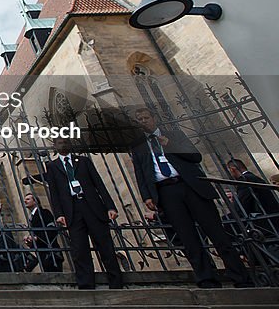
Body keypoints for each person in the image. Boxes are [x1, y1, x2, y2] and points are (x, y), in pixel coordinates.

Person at [130, 108, 252, 288]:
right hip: (166, 192)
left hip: (191, 187)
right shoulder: (138, 146)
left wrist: (170, 145)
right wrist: (146, 196)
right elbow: (140, 172)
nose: (143, 121)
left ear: (154, 119)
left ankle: (240, 276)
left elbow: (196, 157)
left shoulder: (174, 135)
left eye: (146, 117)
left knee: (216, 233)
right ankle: (206, 279)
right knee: (188, 238)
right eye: (139, 119)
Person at [44, 137, 123, 290]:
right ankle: (86, 284)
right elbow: (54, 193)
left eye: (66, 142)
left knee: (105, 246)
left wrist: (110, 207)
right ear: (54, 146)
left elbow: (98, 184)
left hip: (92, 207)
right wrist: (59, 213)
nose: (63, 145)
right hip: (72, 210)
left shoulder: (83, 161)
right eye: (60, 143)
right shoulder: (52, 166)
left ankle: (116, 282)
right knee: (80, 250)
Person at [226, 158, 279, 235]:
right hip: (270, 217)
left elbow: (241, 206)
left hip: (265, 222)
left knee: (228, 221)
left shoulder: (244, 179)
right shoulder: (252, 177)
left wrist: (235, 201)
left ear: (232, 169)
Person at [22, 192, 63, 272]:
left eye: (28, 199)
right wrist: (30, 242)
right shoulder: (32, 217)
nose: (25, 201)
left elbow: (51, 230)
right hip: (42, 253)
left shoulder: (44, 213)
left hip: (51, 252)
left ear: (35, 201)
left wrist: (36, 238)